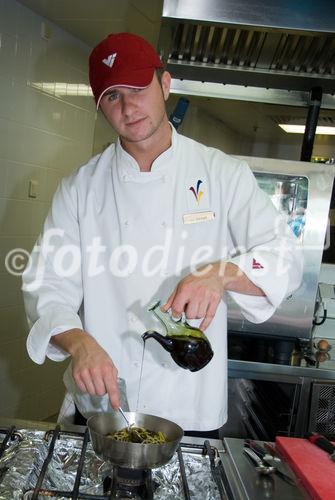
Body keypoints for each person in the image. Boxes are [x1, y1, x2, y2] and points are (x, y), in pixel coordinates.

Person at [22, 32, 303, 433]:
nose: (128, 107)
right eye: (112, 96)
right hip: (105, 404)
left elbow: (286, 258)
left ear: (165, 84)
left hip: (188, 405)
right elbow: (46, 283)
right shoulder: (80, 187)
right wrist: (78, 342)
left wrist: (220, 274)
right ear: (100, 107)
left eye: (137, 88)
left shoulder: (222, 174)